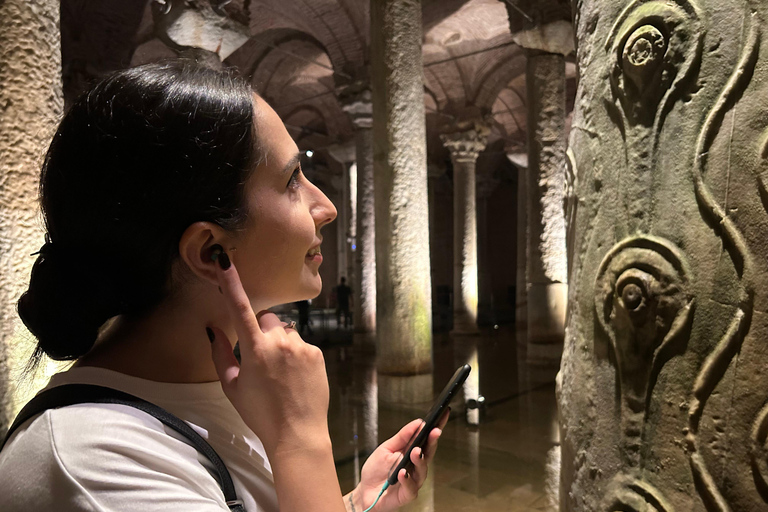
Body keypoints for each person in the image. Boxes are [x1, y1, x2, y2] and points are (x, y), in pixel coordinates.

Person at [0, 61, 447, 511]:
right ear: (211, 250)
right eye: (292, 180)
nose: (326, 207)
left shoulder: (235, 388)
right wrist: (302, 440)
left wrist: (353, 504)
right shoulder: (91, 464)